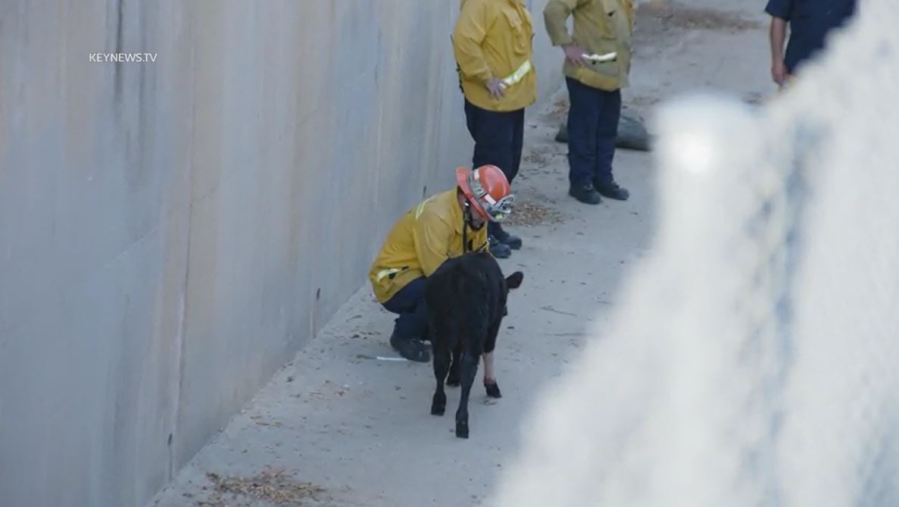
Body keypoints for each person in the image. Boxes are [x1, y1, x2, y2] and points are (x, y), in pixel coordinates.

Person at [368, 165, 515, 362]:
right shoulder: (436, 216)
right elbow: (439, 275)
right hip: (393, 278)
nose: (483, 221)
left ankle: (429, 330)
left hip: (425, 272)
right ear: (467, 200)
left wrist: (495, 290)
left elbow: (481, 259)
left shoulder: (474, 217)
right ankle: (403, 335)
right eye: (482, 213)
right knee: (443, 293)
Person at [453, 0, 537, 258]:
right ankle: (478, 235)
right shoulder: (482, 4)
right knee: (489, 170)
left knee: (507, 167)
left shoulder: (512, 4)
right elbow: (463, 40)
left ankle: (493, 225)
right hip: (490, 103)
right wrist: (485, 76)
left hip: (513, 101)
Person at [543, 0, 635, 205]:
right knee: (584, 132)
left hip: (612, 77)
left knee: (607, 131)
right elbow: (553, 11)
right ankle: (581, 183)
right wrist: (566, 45)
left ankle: (603, 179)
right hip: (586, 75)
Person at [766, 0, 857, 87]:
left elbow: (867, 22)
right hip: (797, 72)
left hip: (840, 75)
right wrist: (777, 61)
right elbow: (779, 18)